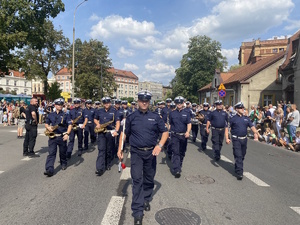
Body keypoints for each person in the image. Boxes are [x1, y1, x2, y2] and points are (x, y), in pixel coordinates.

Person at [117, 90, 168, 225]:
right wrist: (120, 149)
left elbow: (165, 132)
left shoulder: (156, 117)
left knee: (149, 178)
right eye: (141, 100)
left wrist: (159, 146)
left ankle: (146, 198)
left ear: (149, 102)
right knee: (137, 180)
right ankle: (138, 212)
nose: (144, 103)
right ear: (138, 101)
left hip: (151, 153)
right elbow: (124, 134)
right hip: (136, 153)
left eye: (146, 101)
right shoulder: (131, 117)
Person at [225, 102, 258, 180]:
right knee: (238, 155)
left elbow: (252, 126)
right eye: (241, 108)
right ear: (237, 109)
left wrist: (256, 133)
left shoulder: (246, 118)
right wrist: (227, 138)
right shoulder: (233, 118)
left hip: (244, 139)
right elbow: (227, 128)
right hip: (236, 139)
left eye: (243, 108)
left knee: (242, 155)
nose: (243, 109)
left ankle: (237, 164)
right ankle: (240, 172)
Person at [44, 98, 72, 177]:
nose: (60, 106)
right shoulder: (51, 114)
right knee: (51, 153)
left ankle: (63, 163)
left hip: (62, 136)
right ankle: (49, 169)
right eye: (58, 105)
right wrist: (48, 127)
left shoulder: (66, 115)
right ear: (55, 105)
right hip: (53, 136)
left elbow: (70, 125)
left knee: (62, 152)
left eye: (61, 105)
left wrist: (67, 134)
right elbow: (46, 123)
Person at [94, 97, 120, 174]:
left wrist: (116, 131)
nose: (106, 104)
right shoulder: (100, 111)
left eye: (108, 103)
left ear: (110, 103)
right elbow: (95, 119)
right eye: (105, 103)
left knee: (109, 150)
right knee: (101, 149)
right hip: (101, 132)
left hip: (110, 132)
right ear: (103, 104)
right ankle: (100, 168)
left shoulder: (114, 111)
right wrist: (98, 124)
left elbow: (117, 122)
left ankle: (108, 163)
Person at [169, 96, 191, 178]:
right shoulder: (172, 113)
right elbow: (170, 124)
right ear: (175, 104)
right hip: (175, 135)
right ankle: (176, 169)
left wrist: (188, 132)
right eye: (177, 103)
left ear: (183, 104)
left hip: (183, 136)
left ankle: (179, 164)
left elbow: (189, 124)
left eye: (180, 103)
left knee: (182, 152)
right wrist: (168, 133)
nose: (179, 104)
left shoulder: (187, 113)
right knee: (175, 152)